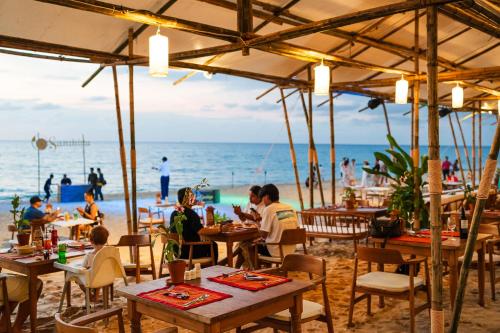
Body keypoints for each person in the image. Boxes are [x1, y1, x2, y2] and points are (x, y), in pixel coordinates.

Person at [170, 187, 218, 262]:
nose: (194, 197)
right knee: (213, 245)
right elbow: (201, 231)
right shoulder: (190, 213)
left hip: (177, 251)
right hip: (190, 250)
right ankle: (212, 270)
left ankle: (206, 268)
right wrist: (219, 230)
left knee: (207, 243)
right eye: (192, 195)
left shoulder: (174, 213)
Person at [257, 184, 298, 258]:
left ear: (266, 196)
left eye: (262, 198)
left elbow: (263, 235)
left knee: (247, 245)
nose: (263, 202)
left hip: (277, 250)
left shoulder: (269, 209)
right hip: (291, 249)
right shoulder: (290, 207)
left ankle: (253, 268)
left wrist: (257, 223)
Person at [79, 226, 109, 301]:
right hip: (106, 278)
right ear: (105, 240)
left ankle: (88, 294)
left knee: (79, 279)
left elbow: (83, 268)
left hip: (91, 280)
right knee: (98, 273)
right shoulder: (109, 252)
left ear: (91, 241)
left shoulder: (89, 255)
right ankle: (96, 295)